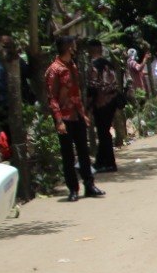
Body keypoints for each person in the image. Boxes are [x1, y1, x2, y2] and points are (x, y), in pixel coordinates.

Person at [44, 35, 104, 202]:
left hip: (76, 116)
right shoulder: (54, 70)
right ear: (68, 47)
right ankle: (73, 189)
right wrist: (59, 121)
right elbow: (52, 98)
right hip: (64, 117)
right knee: (68, 155)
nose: (75, 48)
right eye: (73, 45)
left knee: (84, 152)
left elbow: (76, 94)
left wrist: (82, 113)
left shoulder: (72, 67)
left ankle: (89, 185)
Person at [87, 39, 121, 173]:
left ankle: (110, 163)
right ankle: (100, 162)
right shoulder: (109, 64)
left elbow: (93, 88)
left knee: (103, 133)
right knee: (104, 131)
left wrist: (88, 106)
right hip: (112, 101)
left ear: (91, 50)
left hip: (101, 103)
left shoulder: (93, 66)